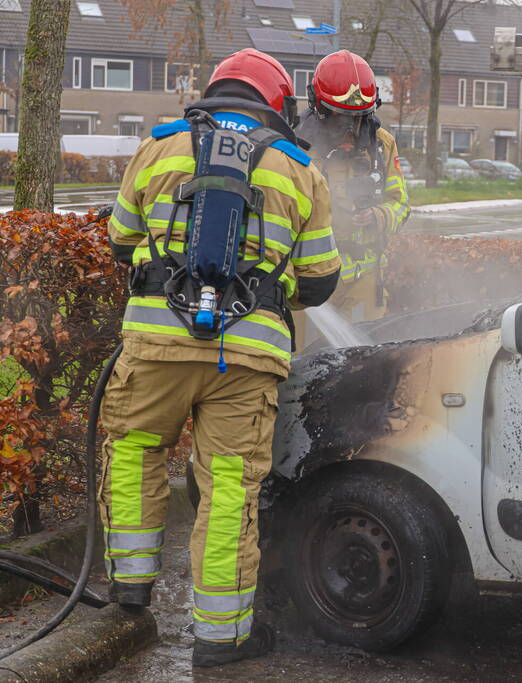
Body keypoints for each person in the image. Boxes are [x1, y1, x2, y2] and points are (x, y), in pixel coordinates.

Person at [103, 48, 340, 667]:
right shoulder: (298, 168)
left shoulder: (159, 146)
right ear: (277, 103)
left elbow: (120, 237)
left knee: (133, 451)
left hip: (154, 343)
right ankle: (219, 635)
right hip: (247, 356)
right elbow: (319, 278)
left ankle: (129, 584)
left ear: (215, 88)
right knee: (229, 488)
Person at [296, 49, 410, 323]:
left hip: (364, 281)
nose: (350, 131)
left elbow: (401, 205)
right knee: (299, 359)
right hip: (305, 279)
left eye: (357, 119)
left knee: (363, 360)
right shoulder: (294, 145)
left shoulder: (381, 144)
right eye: (339, 119)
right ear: (319, 108)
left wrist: (378, 216)